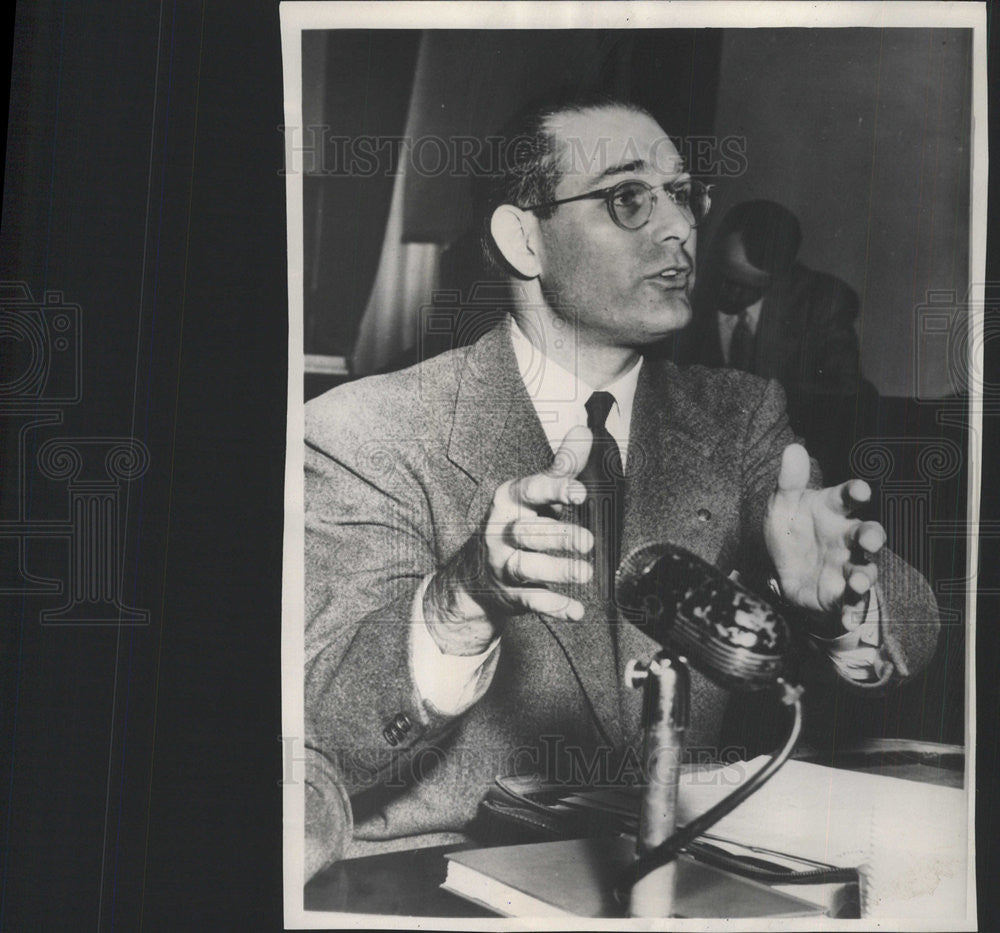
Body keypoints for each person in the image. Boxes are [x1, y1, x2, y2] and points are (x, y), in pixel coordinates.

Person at [302, 96, 939, 876]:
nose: (678, 228)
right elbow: (321, 723)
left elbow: (909, 622)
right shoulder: (366, 429)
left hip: (672, 869)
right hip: (434, 881)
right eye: (629, 197)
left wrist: (843, 603)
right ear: (523, 238)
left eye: (683, 193)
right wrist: (457, 602)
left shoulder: (736, 415)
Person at [674, 199, 872, 481]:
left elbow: (848, 393)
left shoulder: (821, 303)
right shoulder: (678, 289)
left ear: (781, 276)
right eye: (724, 276)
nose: (729, 292)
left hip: (787, 468)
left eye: (747, 287)